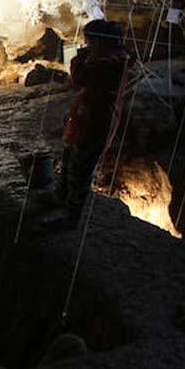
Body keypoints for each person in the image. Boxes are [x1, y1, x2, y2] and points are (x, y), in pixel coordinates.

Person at [43, 19, 129, 230]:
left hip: (95, 122)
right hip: (85, 118)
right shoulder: (108, 59)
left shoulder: (110, 63)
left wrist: (79, 58)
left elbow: (79, 79)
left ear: (100, 42)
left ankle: (71, 215)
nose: (87, 45)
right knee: (70, 158)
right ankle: (61, 196)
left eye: (90, 42)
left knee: (80, 169)